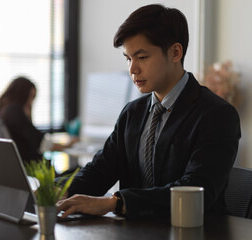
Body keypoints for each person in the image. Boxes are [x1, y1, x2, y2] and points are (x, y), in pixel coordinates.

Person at [57, 4, 241, 219]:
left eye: (142, 57)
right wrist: (57, 191)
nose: (133, 69)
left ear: (175, 52)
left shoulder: (216, 114)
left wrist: (114, 203)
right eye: (128, 59)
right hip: (136, 232)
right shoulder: (132, 112)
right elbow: (101, 169)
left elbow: (195, 190)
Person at [0, 76, 77, 163]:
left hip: (21, 164)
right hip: (31, 166)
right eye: (31, 96)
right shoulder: (14, 111)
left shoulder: (1, 111)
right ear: (22, 95)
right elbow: (39, 142)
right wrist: (67, 145)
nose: (31, 102)